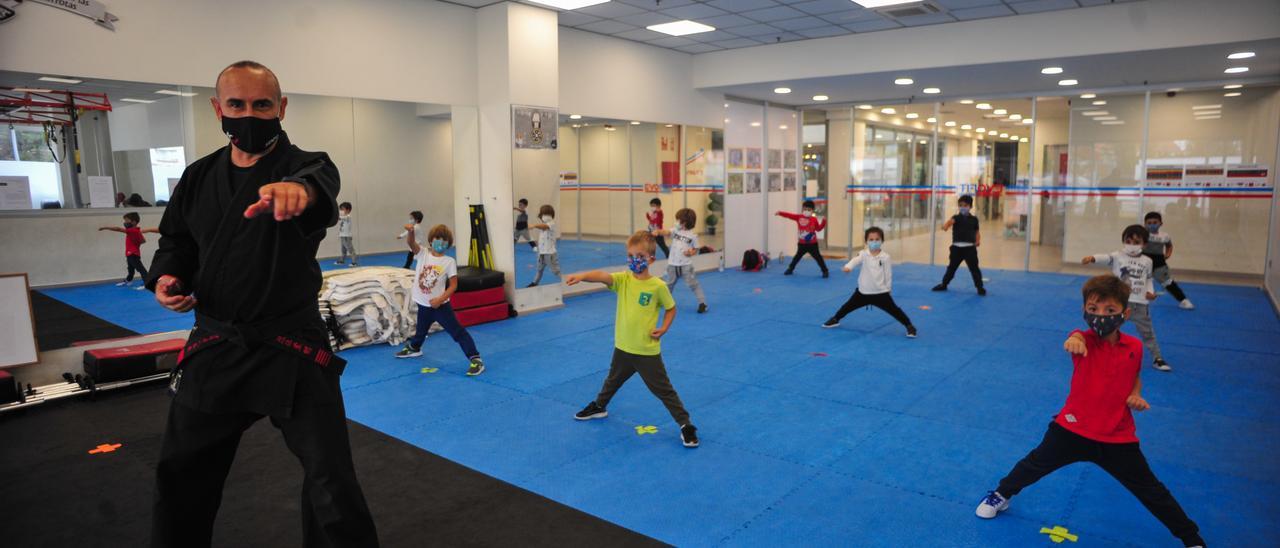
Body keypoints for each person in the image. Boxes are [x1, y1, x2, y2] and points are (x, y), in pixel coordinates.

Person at [146, 60, 378, 547]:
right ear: (218, 109)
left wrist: (300, 192)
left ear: (282, 108)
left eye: (261, 105)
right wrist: (168, 276)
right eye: (237, 104)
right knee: (181, 473)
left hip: (290, 345)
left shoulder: (306, 166)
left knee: (330, 480)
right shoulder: (197, 176)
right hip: (215, 344)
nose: (249, 114)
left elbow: (320, 185)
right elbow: (178, 241)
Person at [975, 275, 1203, 548]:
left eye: (1110, 310)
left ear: (1125, 313)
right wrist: (1074, 339)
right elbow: (1075, 337)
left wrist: (1136, 394)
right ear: (1084, 311)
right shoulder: (1083, 339)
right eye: (1093, 309)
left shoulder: (1134, 346)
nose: (1100, 316)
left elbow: (1134, 377)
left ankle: (1191, 538)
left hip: (1117, 436)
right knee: (1033, 465)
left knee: (1151, 490)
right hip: (1072, 428)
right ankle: (1001, 495)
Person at [567, 230, 698, 448]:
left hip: (646, 351)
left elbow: (671, 309)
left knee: (664, 390)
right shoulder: (624, 280)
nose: (633, 260)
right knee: (612, 380)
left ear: (651, 259)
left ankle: (686, 425)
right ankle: (600, 406)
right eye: (630, 256)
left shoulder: (658, 286)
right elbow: (602, 276)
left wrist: (663, 328)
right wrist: (582, 276)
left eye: (639, 256)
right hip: (623, 347)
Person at [394, 224, 485, 376]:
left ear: (448, 244)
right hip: (423, 305)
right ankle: (415, 348)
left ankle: (475, 359)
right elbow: (411, 243)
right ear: (431, 240)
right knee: (421, 331)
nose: (440, 242)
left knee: (457, 332)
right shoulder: (423, 254)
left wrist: (440, 299)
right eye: (438, 239)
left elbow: (453, 286)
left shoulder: (449, 262)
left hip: (440, 307)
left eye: (444, 240)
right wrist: (410, 232)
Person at [1082, 224, 1171, 372]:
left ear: (1144, 244)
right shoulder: (1118, 256)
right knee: (1106, 327)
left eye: (1136, 242)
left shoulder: (1147, 261)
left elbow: (1148, 279)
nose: (1131, 245)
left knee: (1147, 332)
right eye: (1128, 241)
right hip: (1118, 303)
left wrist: (1150, 292)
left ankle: (1157, 358)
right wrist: (1092, 258)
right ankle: (1094, 351)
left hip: (1140, 304)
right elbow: (1106, 258)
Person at [823, 226, 916, 338]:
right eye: (871, 240)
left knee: (895, 311)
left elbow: (888, 274)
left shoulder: (885, 257)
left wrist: (888, 289)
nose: (874, 242)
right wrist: (848, 267)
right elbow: (855, 260)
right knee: (847, 307)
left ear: (882, 241)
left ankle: (909, 326)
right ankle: (835, 319)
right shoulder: (863, 254)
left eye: (877, 239)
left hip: (881, 293)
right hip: (863, 293)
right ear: (866, 241)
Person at [652, 207, 707, 314]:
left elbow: (696, 249)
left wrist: (691, 252)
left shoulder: (693, 236)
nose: (676, 222)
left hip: (686, 265)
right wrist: (658, 231)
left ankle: (702, 303)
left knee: (693, 284)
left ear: (685, 222)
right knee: (668, 284)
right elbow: (666, 232)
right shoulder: (675, 231)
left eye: (678, 220)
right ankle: (665, 301)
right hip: (672, 264)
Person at [932, 194, 986, 295]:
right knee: (951, 268)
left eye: (965, 205)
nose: (963, 207)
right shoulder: (956, 217)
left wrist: (978, 241)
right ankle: (944, 284)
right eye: (960, 205)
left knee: (974, 269)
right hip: (956, 249)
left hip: (970, 249)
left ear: (970, 207)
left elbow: (977, 232)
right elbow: (950, 222)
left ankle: (980, 287)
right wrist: (946, 226)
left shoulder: (974, 219)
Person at [1144, 212, 1194, 310]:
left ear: (1160, 223)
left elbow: (1169, 246)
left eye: (1155, 222)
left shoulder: (1165, 236)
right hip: (1143, 261)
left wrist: (1168, 254)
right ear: (1145, 224)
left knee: (1168, 283)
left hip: (1159, 262)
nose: (1152, 225)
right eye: (1149, 223)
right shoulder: (1142, 234)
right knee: (1135, 281)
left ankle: (1184, 300)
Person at [98, 212, 158, 289]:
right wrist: (136, 242)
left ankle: (147, 283)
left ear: (133, 222)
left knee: (141, 269)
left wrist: (105, 228)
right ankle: (129, 280)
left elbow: (118, 229)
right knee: (130, 269)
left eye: (126, 220)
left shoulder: (132, 230)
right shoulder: (136, 231)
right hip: (131, 253)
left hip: (133, 254)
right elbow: (143, 241)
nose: (125, 222)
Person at [776, 200, 829, 277]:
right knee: (797, 257)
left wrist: (823, 222)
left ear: (812, 210)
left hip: (813, 244)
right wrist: (780, 213)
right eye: (805, 209)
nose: (806, 211)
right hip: (802, 244)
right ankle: (790, 269)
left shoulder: (814, 219)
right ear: (802, 209)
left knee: (818, 258)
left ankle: (825, 271)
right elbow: (789, 215)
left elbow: (818, 229)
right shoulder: (798, 217)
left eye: (809, 210)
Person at [527, 204, 561, 287]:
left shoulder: (551, 223)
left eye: (547, 214)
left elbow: (544, 226)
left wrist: (534, 225)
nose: (545, 216)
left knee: (556, 271)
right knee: (539, 269)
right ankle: (535, 283)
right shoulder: (544, 223)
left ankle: (567, 281)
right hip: (541, 252)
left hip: (550, 253)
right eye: (543, 214)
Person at [333, 201, 358, 266]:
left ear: (348, 210)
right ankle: (342, 260)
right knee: (343, 250)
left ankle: (354, 262)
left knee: (350, 249)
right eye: (340, 209)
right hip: (342, 236)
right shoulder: (342, 217)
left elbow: (340, 218)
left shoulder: (348, 217)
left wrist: (335, 216)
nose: (341, 211)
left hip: (347, 236)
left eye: (342, 209)